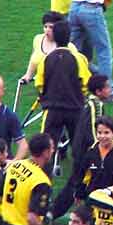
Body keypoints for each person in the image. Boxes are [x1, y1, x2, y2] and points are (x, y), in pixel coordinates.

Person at [50, 74, 112, 221]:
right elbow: (93, 129)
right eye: (107, 87)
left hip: (80, 149)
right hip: (86, 152)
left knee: (79, 181)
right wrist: (98, 150)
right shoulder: (96, 105)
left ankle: (54, 212)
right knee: (81, 182)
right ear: (98, 91)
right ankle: (54, 212)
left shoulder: (87, 102)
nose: (110, 90)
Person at [35, 20, 91, 166]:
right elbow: (86, 83)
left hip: (52, 109)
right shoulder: (78, 58)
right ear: (69, 37)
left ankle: (44, 176)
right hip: (75, 109)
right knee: (80, 145)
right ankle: (81, 178)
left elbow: (39, 84)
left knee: (46, 145)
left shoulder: (46, 59)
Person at [68, 0, 113, 102]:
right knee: (104, 52)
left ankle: (68, 87)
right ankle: (107, 93)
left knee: (73, 52)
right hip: (91, 9)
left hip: (74, 7)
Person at [75, 115, 113, 202]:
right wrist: (79, 193)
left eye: (106, 132)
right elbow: (83, 174)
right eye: (99, 133)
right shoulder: (91, 152)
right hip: (93, 197)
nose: (102, 136)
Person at [21, 11, 78, 83]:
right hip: (42, 87)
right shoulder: (37, 39)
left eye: (51, 27)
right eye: (45, 26)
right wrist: (28, 75)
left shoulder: (69, 47)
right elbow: (33, 60)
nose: (47, 30)